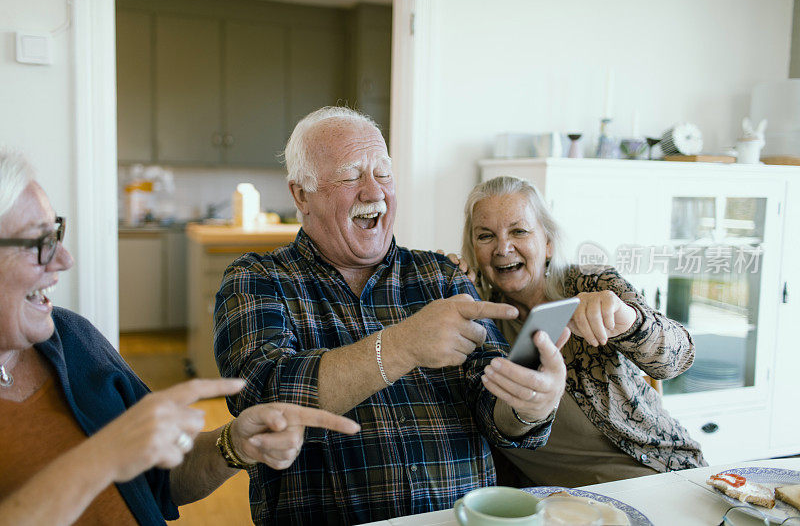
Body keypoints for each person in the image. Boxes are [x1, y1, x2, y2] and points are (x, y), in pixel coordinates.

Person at [213, 107, 569, 525]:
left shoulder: (443, 276)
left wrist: (531, 403)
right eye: (350, 176)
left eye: (383, 173)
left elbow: (494, 409)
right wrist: (401, 345)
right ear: (301, 196)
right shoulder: (256, 279)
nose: (373, 192)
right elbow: (262, 396)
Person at [0, 150, 360, 526]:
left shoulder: (73, 338)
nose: (64, 259)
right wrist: (102, 457)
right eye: (36, 242)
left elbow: (161, 480)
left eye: (55, 233)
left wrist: (234, 444)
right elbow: (115, 455)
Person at [454, 174, 706, 487]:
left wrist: (626, 319)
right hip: (569, 506)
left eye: (519, 231)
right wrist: (447, 273)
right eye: (485, 236)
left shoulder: (591, 283)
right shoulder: (476, 316)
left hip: (659, 473)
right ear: (473, 249)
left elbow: (678, 358)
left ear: (547, 243)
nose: (503, 248)